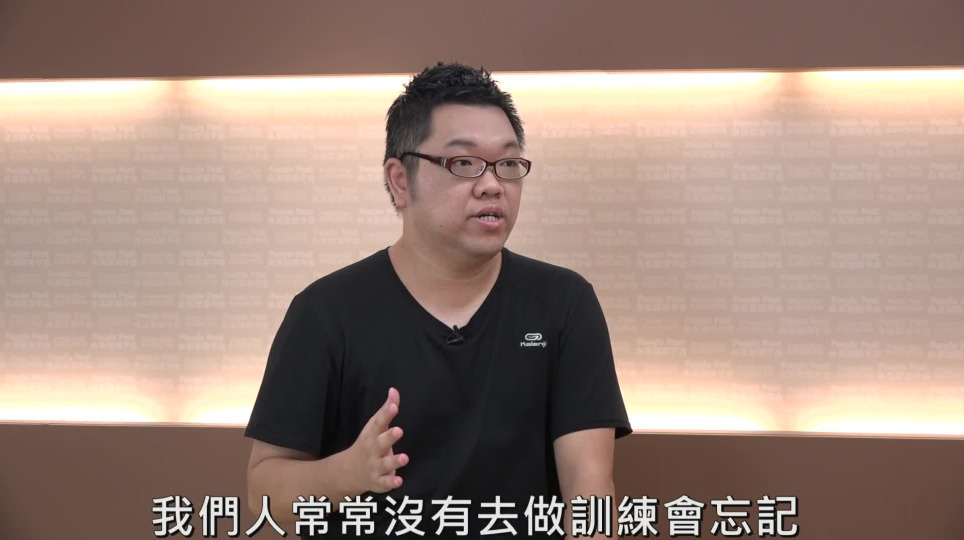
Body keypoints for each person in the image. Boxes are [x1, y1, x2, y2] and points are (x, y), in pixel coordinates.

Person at [244, 62, 632, 539]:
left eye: (508, 164)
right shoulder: (325, 313)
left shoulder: (563, 304)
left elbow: (590, 489)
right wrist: (345, 474)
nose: (492, 184)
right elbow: (263, 492)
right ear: (400, 180)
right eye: (463, 163)